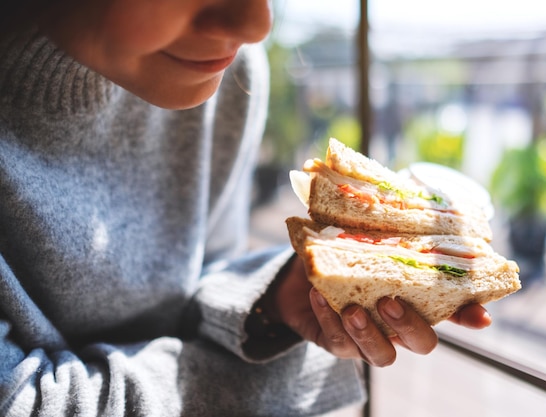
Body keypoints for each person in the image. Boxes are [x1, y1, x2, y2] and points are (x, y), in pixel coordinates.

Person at [0, 1, 492, 415]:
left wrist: (271, 306)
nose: (257, 24)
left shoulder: (225, 73)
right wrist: (287, 377)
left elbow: (197, 276)